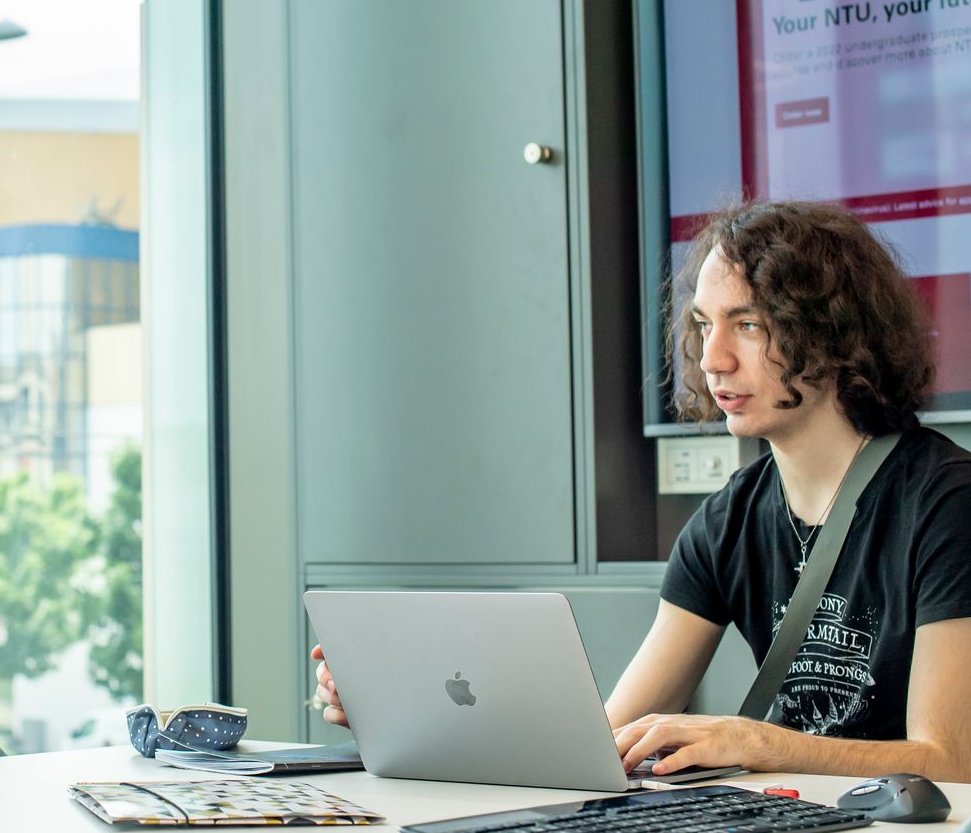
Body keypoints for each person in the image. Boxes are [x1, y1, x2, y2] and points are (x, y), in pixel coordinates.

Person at [314, 200, 971, 781]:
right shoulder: (726, 523)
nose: (712, 358)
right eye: (703, 325)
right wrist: (403, 712)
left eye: (747, 325)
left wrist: (757, 742)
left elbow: (951, 763)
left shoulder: (947, 504)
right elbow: (604, 744)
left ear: (833, 334)